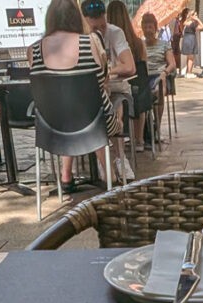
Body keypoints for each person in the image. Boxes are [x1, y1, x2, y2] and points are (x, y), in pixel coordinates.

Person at [28, 0, 120, 193]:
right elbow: (103, 80)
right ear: (77, 18)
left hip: (52, 128)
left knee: (68, 108)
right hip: (95, 122)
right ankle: (111, 177)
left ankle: (66, 176)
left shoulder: (33, 50)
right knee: (92, 110)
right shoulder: (92, 42)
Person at [81, 0, 135, 182]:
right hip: (91, 93)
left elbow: (130, 66)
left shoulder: (115, 32)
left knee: (113, 102)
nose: (100, 31)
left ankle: (119, 157)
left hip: (116, 88)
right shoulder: (81, 38)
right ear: (85, 21)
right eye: (95, 27)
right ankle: (105, 159)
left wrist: (107, 71)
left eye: (102, 26)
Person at [106, 0, 146, 156]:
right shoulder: (138, 43)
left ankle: (114, 147)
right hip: (138, 94)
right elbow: (143, 70)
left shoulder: (108, 36)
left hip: (117, 89)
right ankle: (139, 139)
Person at [140, 12, 175, 141]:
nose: (148, 30)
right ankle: (142, 130)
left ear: (155, 28)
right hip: (144, 77)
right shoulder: (140, 45)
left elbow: (172, 64)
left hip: (160, 76)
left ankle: (157, 127)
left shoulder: (164, 44)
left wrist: (164, 73)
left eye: (150, 27)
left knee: (160, 86)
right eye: (145, 27)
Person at [179, 8, 203, 76]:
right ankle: (189, 73)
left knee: (189, 57)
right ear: (191, 16)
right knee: (191, 58)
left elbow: (182, 28)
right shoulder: (192, 23)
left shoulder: (185, 22)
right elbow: (202, 26)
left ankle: (187, 72)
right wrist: (197, 20)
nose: (196, 16)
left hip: (186, 39)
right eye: (195, 15)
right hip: (191, 39)